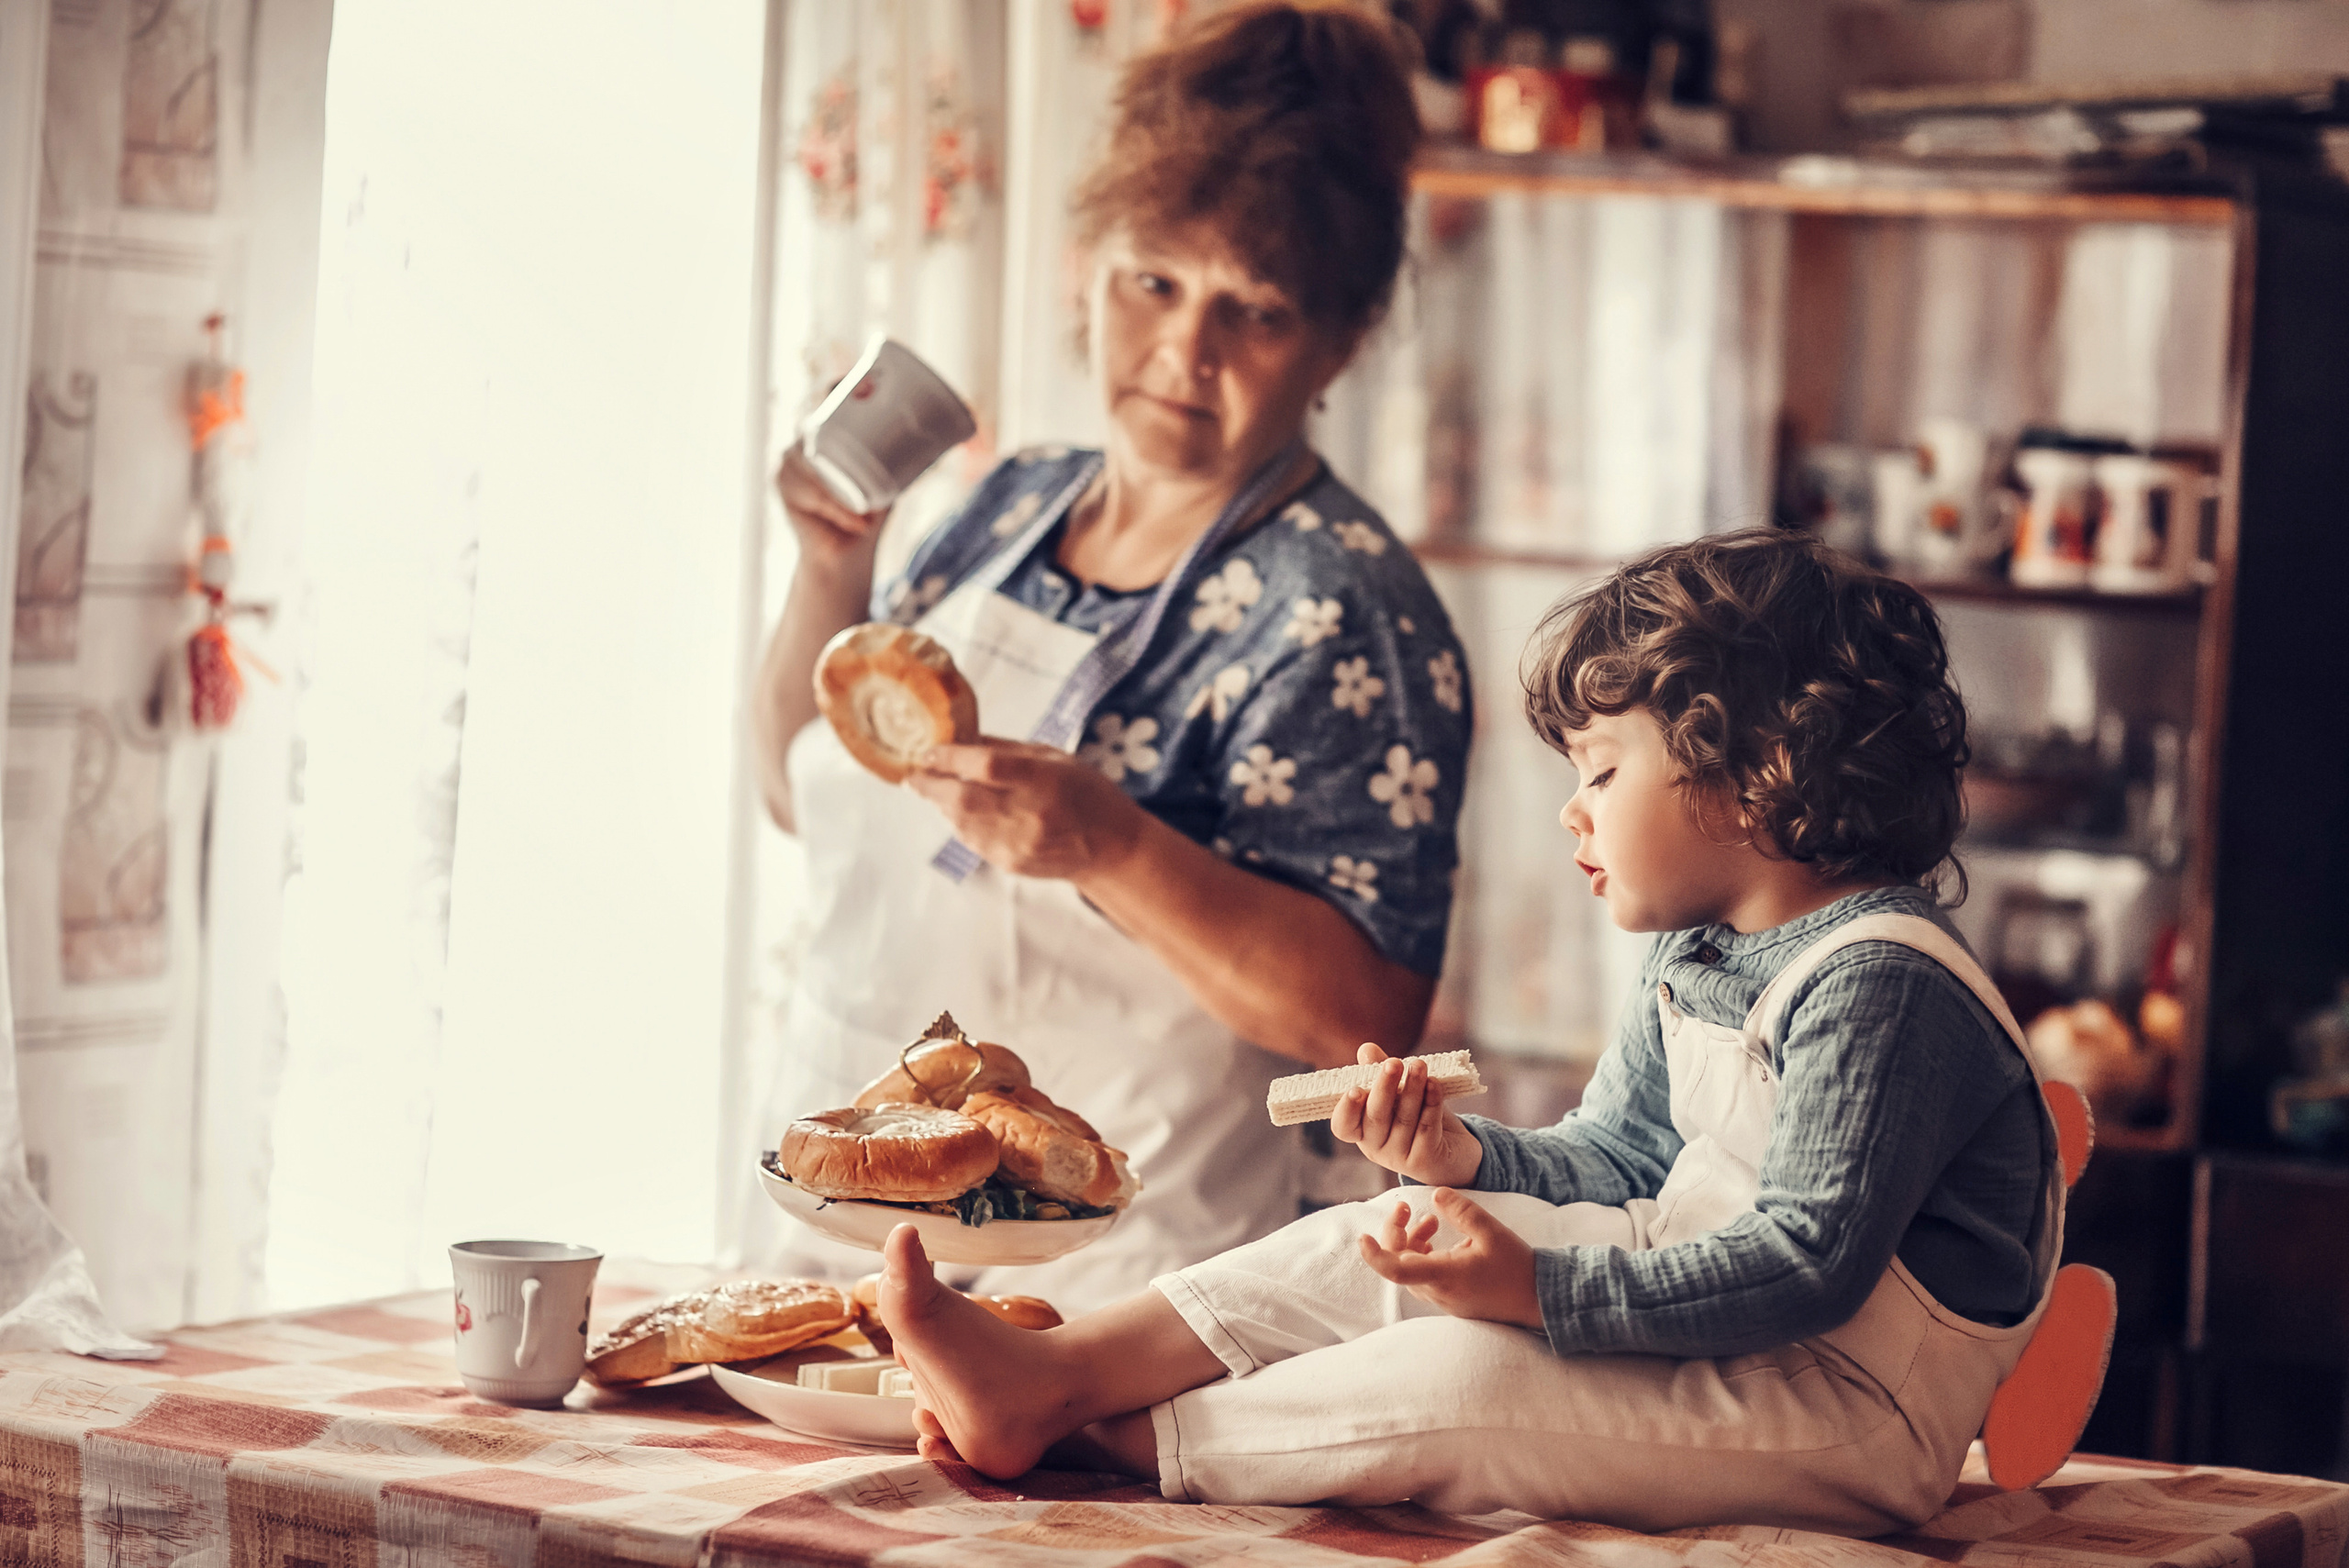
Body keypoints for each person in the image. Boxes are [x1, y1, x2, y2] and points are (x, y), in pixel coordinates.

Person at [875, 528, 2067, 1536]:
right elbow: (1619, 1164)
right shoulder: (1699, 948)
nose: (1572, 807)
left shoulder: (1880, 982)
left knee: (1469, 1372)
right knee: (1388, 1230)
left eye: (1601, 770)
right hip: (1712, 1331)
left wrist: (1537, 1289)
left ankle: (1110, 1437)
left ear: (1755, 776)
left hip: (1841, 1404)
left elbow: (1807, 1265)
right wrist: (1462, 1163)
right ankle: (1057, 1370)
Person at [750, 3, 1469, 1308]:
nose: (1185, 354)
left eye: (1252, 312)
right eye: (1155, 281)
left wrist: (1116, 848)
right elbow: (800, 794)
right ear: (1091, 259)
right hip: (832, 1251)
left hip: (1115, 1307)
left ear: (1343, 339)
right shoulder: (1003, 504)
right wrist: (830, 567)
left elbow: (1362, 1017)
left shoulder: (1345, 607)